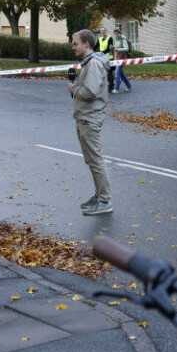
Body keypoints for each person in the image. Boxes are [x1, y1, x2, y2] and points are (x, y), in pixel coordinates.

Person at [69, 29, 113, 215]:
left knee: (96, 160)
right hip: (85, 117)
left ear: (86, 44)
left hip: (90, 118)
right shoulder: (89, 63)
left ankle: (104, 200)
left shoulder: (93, 64)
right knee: (92, 160)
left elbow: (90, 91)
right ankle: (99, 195)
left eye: (75, 43)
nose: (73, 47)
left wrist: (74, 90)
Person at [112, 28, 133, 93]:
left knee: (117, 73)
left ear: (120, 33)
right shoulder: (115, 41)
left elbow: (126, 49)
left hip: (121, 59)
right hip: (116, 59)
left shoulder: (123, 40)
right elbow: (114, 49)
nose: (116, 35)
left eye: (118, 33)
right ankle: (129, 87)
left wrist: (118, 49)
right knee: (121, 74)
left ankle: (116, 88)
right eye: (115, 34)